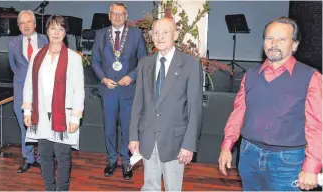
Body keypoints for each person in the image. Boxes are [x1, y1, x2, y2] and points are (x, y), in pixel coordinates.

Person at [218, 16, 322, 191]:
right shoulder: (250, 75)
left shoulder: (311, 77)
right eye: (269, 38)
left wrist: (312, 167)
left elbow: (317, 126)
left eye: (282, 39)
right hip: (248, 155)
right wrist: (227, 146)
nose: (274, 43)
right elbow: (239, 112)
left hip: (287, 162)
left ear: (294, 45)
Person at [128, 18, 203, 191]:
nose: (160, 37)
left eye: (165, 32)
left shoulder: (190, 64)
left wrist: (188, 144)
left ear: (175, 35)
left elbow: (194, 108)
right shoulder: (144, 63)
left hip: (175, 142)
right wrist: (133, 135)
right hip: (147, 137)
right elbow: (137, 102)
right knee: (149, 186)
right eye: (156, 32)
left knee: (172, 188)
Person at [22, 15, 85, 191]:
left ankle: (62, 189)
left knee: (63, 156)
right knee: (45, 155)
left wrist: (75, 118)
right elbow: (29, 84)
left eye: (60, 29)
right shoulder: (37, 55)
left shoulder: (73, 58)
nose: (56, 32)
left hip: (64, 116)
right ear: (47, 31)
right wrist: (27, 112)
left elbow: (79, 89)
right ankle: (49, 188)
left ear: (65, 33)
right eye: (52, 28)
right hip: (41, 115)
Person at [91, 2, 147, 180]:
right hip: (108, 89)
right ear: (109, 15)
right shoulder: (100, 35)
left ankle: (126, 162)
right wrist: (103, 78)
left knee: (127, 129)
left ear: (126, 15)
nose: (117, 17)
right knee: (109, 128)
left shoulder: (136, 35)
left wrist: (131, 76)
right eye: (114, 13)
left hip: (128, 88)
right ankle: (112, 160)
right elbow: (95, 62)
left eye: (121, 14)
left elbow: (143, 61)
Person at [8, 9, 48, 173]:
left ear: (35, 23)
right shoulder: (13, 43)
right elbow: (13, 66)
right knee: (24, 126)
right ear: (18, 26)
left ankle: (42, 158)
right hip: (21, 90)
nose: (25, 25)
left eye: (28, 22)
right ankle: (28, 158)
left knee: (44, 125)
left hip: (43, 90)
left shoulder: (46, 39)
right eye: (22, 23)